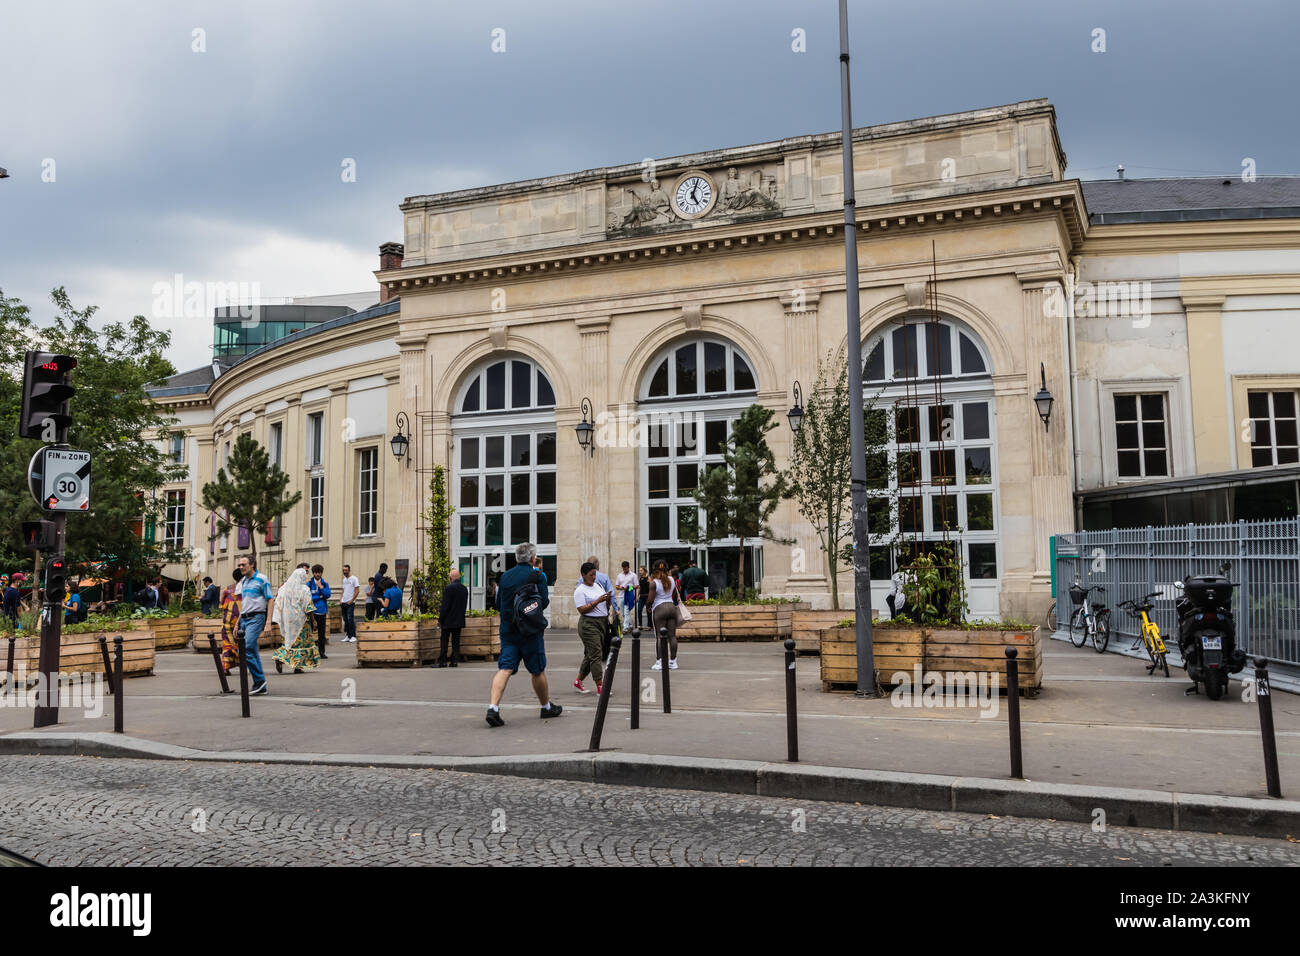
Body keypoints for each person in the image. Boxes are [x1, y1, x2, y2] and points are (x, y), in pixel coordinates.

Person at [486, 542, 561, 727]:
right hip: (530, 631)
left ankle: (493, 708)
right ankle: (545, 706)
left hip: (508, 631)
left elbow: (498, 603)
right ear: (533, 558)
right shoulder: (537, 575)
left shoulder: (505, 577)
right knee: (537, 670)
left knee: (505, 668)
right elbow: (543, 602)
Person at [235, 555, 274, 695]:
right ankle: (261, 686)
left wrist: (268, 622)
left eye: (243, 564)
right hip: (244, 619)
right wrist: (237, 623)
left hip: (257, 617)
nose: (241, 567)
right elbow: (245, 604)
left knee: (245, 649)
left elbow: (270, 600)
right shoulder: (244, 582)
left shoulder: (262, 579)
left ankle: (259, 681)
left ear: (252, 565)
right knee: (252, 651)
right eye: (239, 565)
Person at [573, 562, 613, 695]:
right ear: (583, 575)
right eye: (591, 575)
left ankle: (578, 681)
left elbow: (604, 605)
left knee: (590, 654)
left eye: (595, 574)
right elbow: (582, 610)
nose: (594, 577)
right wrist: (598, 601)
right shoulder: (580, 590)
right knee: (596, 654)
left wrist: (607, 600)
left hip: (602, 623)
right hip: (588, 624)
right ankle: (600, 686)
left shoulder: (598, 585)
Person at [272, 567, 320, 674]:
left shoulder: (284, 588)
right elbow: (308, 606)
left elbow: (278, 603)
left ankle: (282, 659)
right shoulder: (304, 589)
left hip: (288, 621)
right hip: (301, 622)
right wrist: (314, 620)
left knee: (290, 642)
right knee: (301, 643)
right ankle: (297, 666)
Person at [649, 560, 680, 671]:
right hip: (672, 608)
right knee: (672, 636)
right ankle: (673, 661)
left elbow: (650, 599)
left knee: (659, 637)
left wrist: (648, 607)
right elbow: (675, 594)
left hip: (659, 608)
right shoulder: (672, 579)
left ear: (655, 569)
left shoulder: (654, 583)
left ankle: (660, 662)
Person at [437, 569, 469, 667]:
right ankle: (454, 661)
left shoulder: (449, 588)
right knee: (456, 641)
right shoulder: (464, 589)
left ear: (450, 577)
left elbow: (445, 606)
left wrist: (440, 620)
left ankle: (443, 661)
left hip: (448, 620)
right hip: (459, 619)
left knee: (444, 640)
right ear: (459, 577)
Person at [219, 569, 242, 674]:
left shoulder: (227, 589)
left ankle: (225, 667)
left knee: (227, 644)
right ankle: (244, 664)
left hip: (228, 621)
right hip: (241, 621)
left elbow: (221, 604)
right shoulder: (246, 589)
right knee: (242, 643)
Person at [308, 564, 331, 659]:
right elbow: (309, 598)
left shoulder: (325, 584)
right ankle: (309, 653)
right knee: (309, 633)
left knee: (322, 634)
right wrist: (320, 597)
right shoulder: (309, 584)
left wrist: (321, 587)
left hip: (322, 612)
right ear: (313, 573)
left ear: (321, 573)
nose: (318, 574)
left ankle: (322, 652)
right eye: (316, 572)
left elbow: (328, 595)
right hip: (312, 612)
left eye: (319, 572)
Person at [614, 561, 638, 634]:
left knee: (626, 612)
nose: (624, 570)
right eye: (623, 569)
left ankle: (625, 628)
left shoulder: (633, 575)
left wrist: (628, 588)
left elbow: (637, 586)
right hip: (621, 595)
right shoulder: (619, 575)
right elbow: (616, 586)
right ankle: (630, 626)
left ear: (628, 567)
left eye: (626, 568)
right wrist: (621, 588)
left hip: (629, 596)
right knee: (623, 613)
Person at [339, 564, 360, 643]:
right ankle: (348, 636)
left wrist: (352, 600)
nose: (344, 572)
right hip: (343, 602)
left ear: (349, 570)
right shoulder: (344, 580)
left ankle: (353, 636)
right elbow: (343, 590)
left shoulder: (354, 579)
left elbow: (357, 590)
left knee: (350, 619)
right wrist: (341, 599)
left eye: (346, 570)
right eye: (343, 570)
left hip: (350, 603)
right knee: (345, 620)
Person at [636, 566, 650, 630]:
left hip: (647, 596)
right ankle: (640, 625)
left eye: (641, 570)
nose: (640, 572)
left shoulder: (648, 578)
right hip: (641, 596)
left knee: (648, 611)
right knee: (639, 610)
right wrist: (637, 596)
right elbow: (639, 588)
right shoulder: (640, 578)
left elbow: (651, 588)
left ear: (644, 571)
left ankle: (649, 625)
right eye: (639, 570)